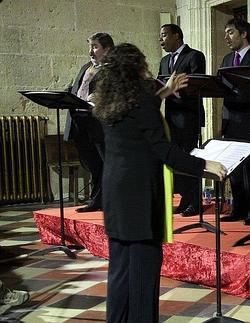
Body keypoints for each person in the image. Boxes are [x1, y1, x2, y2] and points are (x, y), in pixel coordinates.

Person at [91, 43, 226, 323]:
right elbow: (165, 152)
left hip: (116, 195)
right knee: (143, 278)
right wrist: (205, 165)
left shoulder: (110, 102)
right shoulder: (141, 103)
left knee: (119, 274)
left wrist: (164, 92)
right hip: (140, 199)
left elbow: (140, 114)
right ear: (137, 68)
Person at [218, 18, 250, 225]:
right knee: (234, 168)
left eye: (230, 32)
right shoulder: (227, 60)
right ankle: (238, 208)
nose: (226, 37)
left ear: (243, 34)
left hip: (249, 120)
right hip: (231, 120)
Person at [158, 24, 206, 216]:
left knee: (189, 158)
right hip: (171, 117)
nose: (160, 40)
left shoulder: (194, 56)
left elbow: (198, 83)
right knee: (175, 160)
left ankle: (195, 202)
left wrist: (176, 90)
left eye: (164, 35)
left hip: (188, 116)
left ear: (176, 35)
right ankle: (185, 198)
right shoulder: (164, 60)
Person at [64, 32, 114, 212]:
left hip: (98, 123)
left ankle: (105, 200)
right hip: (79, 121)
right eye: (90, 47)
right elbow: (77, 88)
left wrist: (102, 98)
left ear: (107, 49)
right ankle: (97, 199)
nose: (91, 52)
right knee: (91, 163)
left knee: (104, 163)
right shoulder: (86, 66)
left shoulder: (113, 70)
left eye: (95, 47)